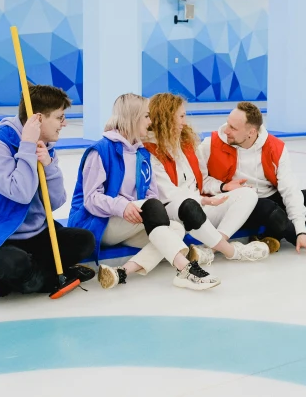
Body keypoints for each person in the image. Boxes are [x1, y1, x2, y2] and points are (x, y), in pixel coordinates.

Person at [0, 84, 95, 303]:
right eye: (59, 117)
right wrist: (26, 146)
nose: (64, 124)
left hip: (32, 234)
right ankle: (35, 277)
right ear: (38, 119)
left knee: (84, 241)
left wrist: (49, 166)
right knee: (18, 266)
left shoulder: (44, 144)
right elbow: (22, 193)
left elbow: (55, 202)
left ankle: (11, 281)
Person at [68, 93, 219, 291]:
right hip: (100, 224)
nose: (150, 122)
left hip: (131, 220)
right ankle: (186, 269)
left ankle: (121, 272)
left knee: (176, 229)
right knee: (154, 210)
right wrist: (123, 206)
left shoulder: (142, 154)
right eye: (146, 116)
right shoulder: (100, 150)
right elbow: (91, 199)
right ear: (133, 118)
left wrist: (136, 209)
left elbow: (151, 195)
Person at [198, 101, 306, 255]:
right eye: (227, 123)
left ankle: (269, 236)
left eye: (233, 128)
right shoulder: (210, 145)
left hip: (269, 197)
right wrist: (223, 186)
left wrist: (300, 229)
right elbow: (201, 182)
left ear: (251, 132)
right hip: (238, 203)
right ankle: (298, 237)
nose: (226, 130)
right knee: (269, 209)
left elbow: (289, 188)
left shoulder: (275, 147)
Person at [144, 93, 269, 264]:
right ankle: (231, 251)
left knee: (247, 194)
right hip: (175, 213)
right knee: (188, 205)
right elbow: (168, 195)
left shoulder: (186, 143)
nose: (184, 121)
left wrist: (224, 187)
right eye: (181, 116)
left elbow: (202, 181)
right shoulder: (149, 151)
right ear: (166, 117)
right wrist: (203, 200)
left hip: (199, 208)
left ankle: (212, 248)